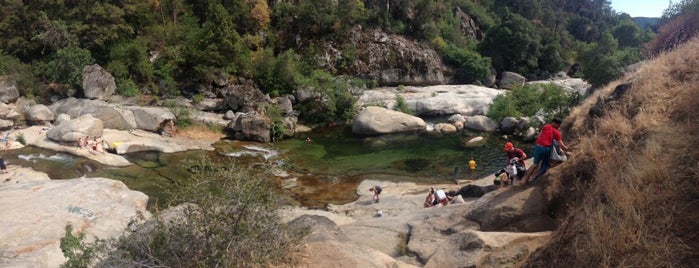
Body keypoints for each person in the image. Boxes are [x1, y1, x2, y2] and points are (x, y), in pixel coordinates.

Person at [521, 118, 569, 184]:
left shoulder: (546, 126)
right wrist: (568, 149)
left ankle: (524, 180)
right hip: (545, 148)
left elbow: (539, 136)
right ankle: (542, 176)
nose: (559, 127)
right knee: (548, 161)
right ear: (556, 124)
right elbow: (561, 145)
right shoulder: (556, 132)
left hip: (537, 146)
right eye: (559, 125)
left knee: (535, 164)